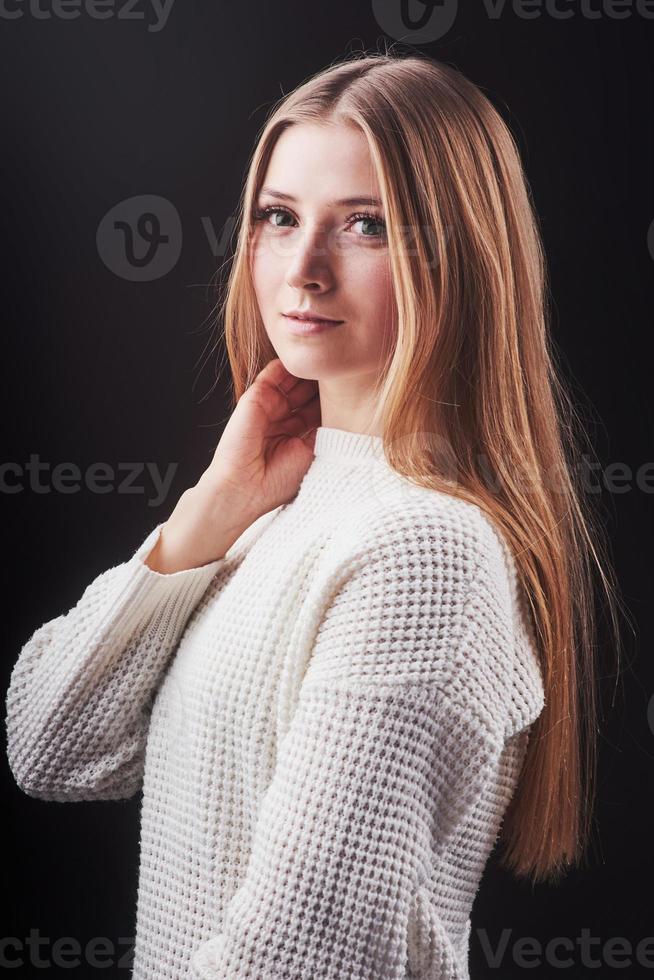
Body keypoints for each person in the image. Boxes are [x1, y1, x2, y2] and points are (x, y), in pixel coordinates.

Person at [5, 49, 624, 980]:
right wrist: (208, 515)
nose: (304, 269)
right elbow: (52, 747)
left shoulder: (427, 551)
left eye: (366, 226)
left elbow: (298, 961)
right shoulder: (271, 508)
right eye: (279, 218)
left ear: (460, 255)